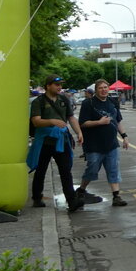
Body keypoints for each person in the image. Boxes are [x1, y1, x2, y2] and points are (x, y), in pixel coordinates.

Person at [27, 75, 84, 212]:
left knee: (65, 171)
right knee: (40, 170)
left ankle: (71, 201)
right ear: (48, 86)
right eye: (56, 85)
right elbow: (36, 121)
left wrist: (79, 132)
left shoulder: (64, 99)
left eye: (60, 85)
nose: (59, 87)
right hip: (44, 141)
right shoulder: (39, 102)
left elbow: (71, 117)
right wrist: (52, 121)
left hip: (61, 141)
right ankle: (36, 198)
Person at [77, 78, 130, 207]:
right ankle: (81, 190)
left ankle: (116, 196)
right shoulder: (88, 103)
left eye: (105, 87)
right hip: (94, 144)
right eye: (100, 88)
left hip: (111, 143)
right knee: (92, 169)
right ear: (95, 90)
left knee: (113, 169)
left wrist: (124, 136)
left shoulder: (112, 102)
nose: (103, 90)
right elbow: (82, 123)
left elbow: (118, 121)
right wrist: (99, 122)